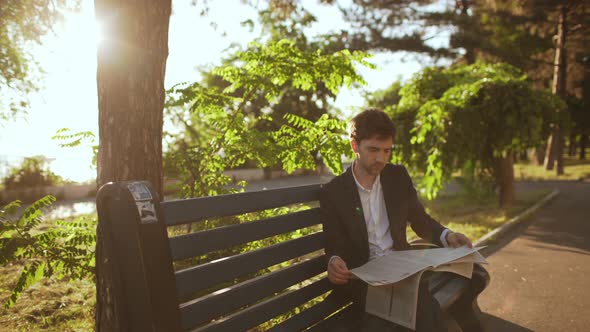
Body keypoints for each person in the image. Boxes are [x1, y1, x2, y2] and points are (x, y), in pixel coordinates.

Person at [320, 108, 481, 332]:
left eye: (387, 151)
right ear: (354, 146)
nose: (381, 159)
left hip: (402, 270)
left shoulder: (397, 176)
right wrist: (334, 261)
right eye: (373, 150)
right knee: (421, 305)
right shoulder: (334, 192)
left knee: (470, 277)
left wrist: (447, 235)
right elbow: (333, 242)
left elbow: (419, 219)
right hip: (365, 281)